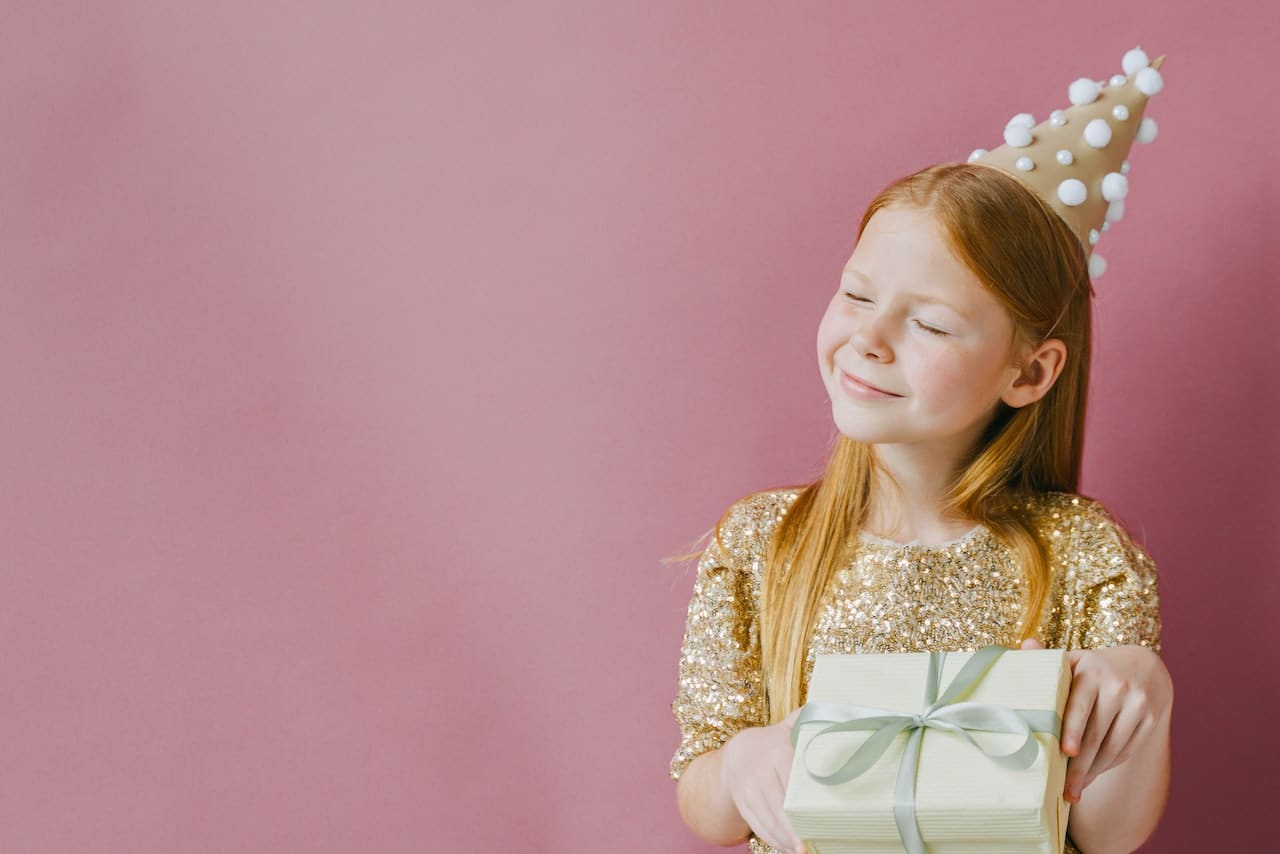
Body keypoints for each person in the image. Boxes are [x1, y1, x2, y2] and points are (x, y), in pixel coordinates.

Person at [668, 49, 1173, 854]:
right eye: (857, 295)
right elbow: (704, 788)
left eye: (930, 324)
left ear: (1029, 371)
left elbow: (1105, 834)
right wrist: (739, 765)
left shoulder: (1085, 554)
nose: (866, 340)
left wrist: (1147, 693)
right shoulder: (760, 544)